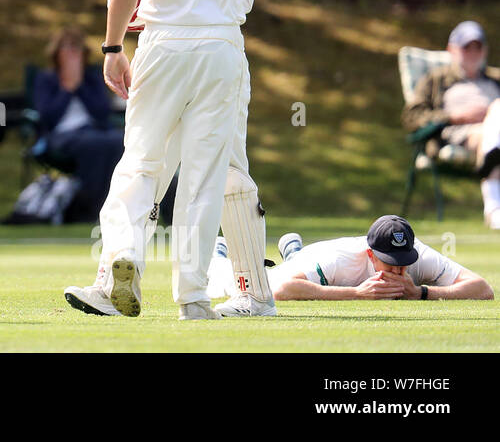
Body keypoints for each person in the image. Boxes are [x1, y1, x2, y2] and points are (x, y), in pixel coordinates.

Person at [62, 0, 269, 321]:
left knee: (140, 163)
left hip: (161, 45)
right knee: (203, 177)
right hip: (221, 47)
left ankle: (124, 256)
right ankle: (193, 299)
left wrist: (112, 49)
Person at [209, 215, 493, 301]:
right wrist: (357, 293)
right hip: (318, 259)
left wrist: (422, 292)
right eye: (389, 262)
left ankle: (293, 249)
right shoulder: (342, 258)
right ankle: (218, 253)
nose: (400, 269)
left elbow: (483, 289)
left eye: (404, 260)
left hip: (319, 268)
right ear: (371, 254)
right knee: (236, 285)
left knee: (304, 268)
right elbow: (282, 290)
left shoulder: (418, 254)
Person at [402, 20, 500, 229]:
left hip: (493, 130)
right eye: (467, 47)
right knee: (493, 124)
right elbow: (412, 116)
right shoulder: (436, 79)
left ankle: (494, 154)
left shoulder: (495, 79)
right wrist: (457, 117)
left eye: (478, 47)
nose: (473, 52)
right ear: (451, 50)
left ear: (485, 50)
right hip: (461, 134)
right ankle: (494, 208)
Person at [31, 27, 123, 222]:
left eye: (77, 49)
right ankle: (90, 206)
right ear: (57, 53)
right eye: (67, 49)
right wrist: (67, 89)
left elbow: (102, 111)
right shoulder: (46, 80)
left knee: (118, 141)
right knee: (92, 145)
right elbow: (47, 116)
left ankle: (114, 205)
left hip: (94, 130)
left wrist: (79, 85)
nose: (73, 54)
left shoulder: (92, 78)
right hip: (60, 136)